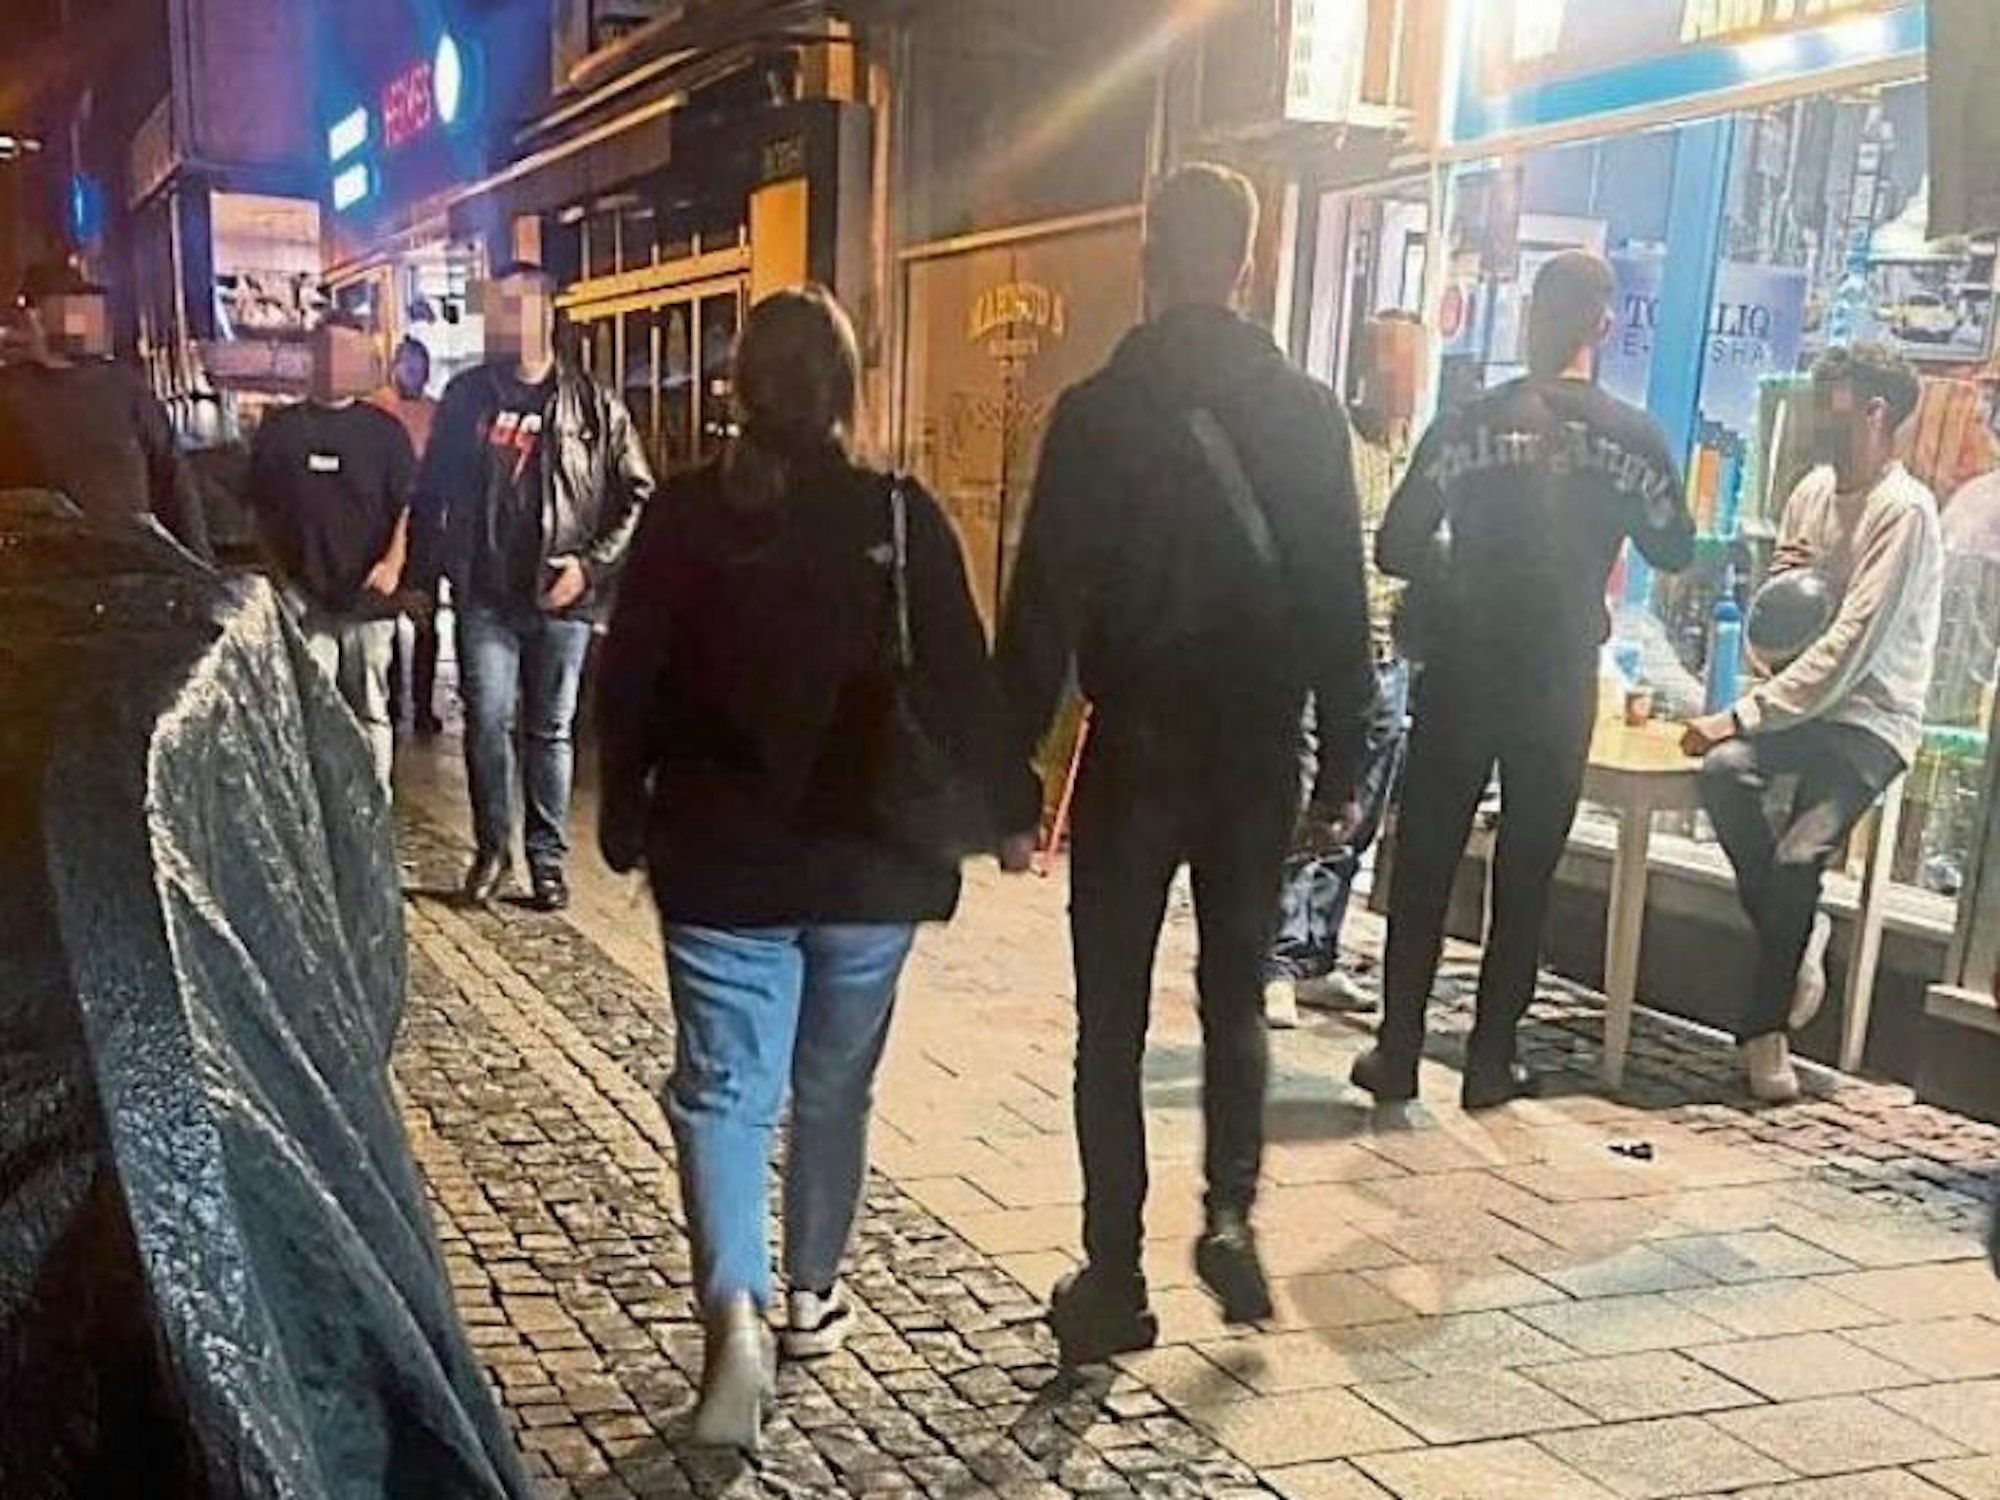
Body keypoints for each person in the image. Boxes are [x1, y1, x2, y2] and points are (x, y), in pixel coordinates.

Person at [596, 287, 1035, 1452]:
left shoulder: (687, 517)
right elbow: (961, 673)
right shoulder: (894, 514)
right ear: (847, 392)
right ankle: (809, 1295)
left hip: (719, 865)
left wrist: (620, 813)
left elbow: (627, 671)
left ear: (738, 390)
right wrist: (1012, 808)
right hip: (865, 867)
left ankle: (731, 1311)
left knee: (724, 1094)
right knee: (835, 1086)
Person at [996, 163, 1377, 1365]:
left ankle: (1112, 1274)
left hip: (1138, 744)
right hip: (1257, 747)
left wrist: (1009, 763)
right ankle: (1228, 1213)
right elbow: (1336, 593)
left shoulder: (1096, 414)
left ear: (1145, 259)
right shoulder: (1306, 413)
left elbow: (1041, 606)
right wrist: (1347, 756)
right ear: (1250, 266)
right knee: (1231, 997)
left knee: (1108, 1017)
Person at [1354, 250, 1694, 1111]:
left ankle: (1397, 1050)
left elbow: (1395, 544)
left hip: (1464, 667)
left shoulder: (1467, 423)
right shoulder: (1635, 438)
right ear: (1602, 326)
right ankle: (1490, 1059)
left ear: (1529, 319)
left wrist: (1455, 572)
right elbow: (1675, 548)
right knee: (1529, 867)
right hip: (1556, 676)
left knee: (1426, 857)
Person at [1682, 345, 1942, 1103]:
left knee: (1801, 858)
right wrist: (1758, 692)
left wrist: (1743, 710)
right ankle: (1796, 941)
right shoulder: (1811, 492)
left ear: (1877, 411)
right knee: (1724, 774)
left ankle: (1765, 1032)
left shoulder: (1906, 511)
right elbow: (1779, 616)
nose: (1820, 412)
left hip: (1872, 716)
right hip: (1801, 705)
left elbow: (1850, 647)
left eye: (1836, 398)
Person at [414, 263, 654, 913]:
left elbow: (636, 492)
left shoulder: (594, 402)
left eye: (521, 306)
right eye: (500, 308)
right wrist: (429, 575)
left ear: (548, 313)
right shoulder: (466, 398)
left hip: (561, 598)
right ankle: (493, 850)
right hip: (485, 597)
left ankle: (547, 862)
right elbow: (431, 489)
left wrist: (590, 565)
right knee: (487, 724)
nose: (510, 319)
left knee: (550, 731)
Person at [1265, 396, 1413, 1027]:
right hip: (1327, 656)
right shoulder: (1335, 445)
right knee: (1308, 809)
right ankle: (1274, 961)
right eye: (1392, 370)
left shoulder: (1412, 453)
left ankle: (1316, 957)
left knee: (1358, 821)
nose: (1402, 387)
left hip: (1391, 653)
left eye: (1413, 371)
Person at [248, 314, 415, 791]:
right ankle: (320, 814)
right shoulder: (280, 431)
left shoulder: (385, 433)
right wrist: (280, 581)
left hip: (368, 600)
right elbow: (260, 510)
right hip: (304, 603)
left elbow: (408, 506)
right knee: (309, 713)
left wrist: (393, 564)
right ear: (315, 357)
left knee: (371, 710)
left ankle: (373, 811)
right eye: (334, 351)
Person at [0, 261, 212, 560]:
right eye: (73, 305)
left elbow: (173, 481)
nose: (87, 316)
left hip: (133, 576)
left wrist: (201, 566)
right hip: (45, 583)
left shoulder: (126, 389)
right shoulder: (10, 396)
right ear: (35, 315)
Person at [371, 336, 444, 737]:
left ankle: (423, 704)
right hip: (383, 522)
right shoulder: (377, 410)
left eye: (422, 367)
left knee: (426, 618)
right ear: (395, 367)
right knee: (387, 615)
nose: (415, 374)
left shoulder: (436, 412)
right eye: (409, 366)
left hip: (427, 523)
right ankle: (391, 700)